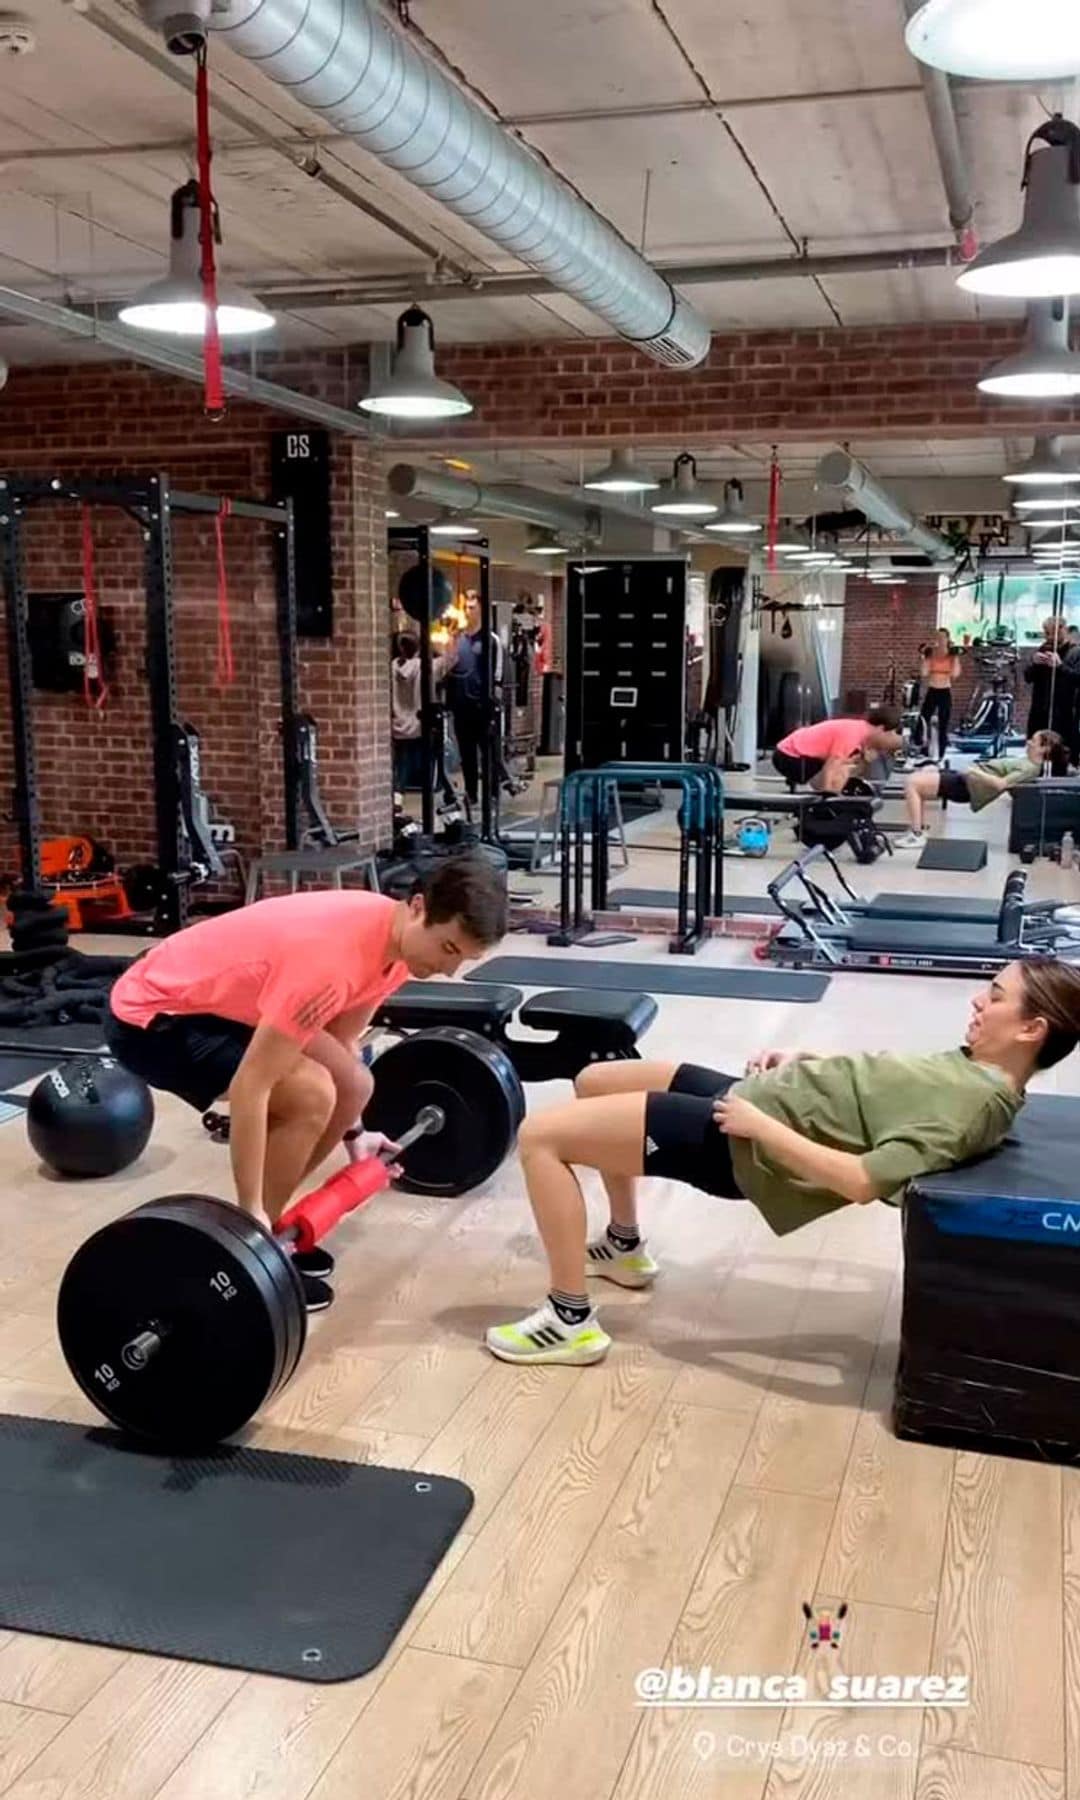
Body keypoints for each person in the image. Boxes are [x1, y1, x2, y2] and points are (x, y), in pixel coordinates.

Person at [485, 958, 1080, 1364]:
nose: (979, 999)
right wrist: (808, 1062)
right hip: (760, 1101)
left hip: (740, 1142)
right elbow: (883, 1091)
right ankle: (624, 1245)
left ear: (1031, 1028)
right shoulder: (974, 1069)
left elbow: (862, 1180)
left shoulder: (972, 1103)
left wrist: (761, 1127)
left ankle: (569, 1321)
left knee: (541, 1138)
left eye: (996, 997)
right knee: (594, 1080)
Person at [105, 857, 507, 1312]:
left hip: (230, 1005)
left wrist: (356, 1133)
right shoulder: (333, 961)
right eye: (448, 949)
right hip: (155, 1016)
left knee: (355, 1083)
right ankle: (252, 1246)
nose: (449, 970)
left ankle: (268, 1234)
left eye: (464, 959)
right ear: (417, 907)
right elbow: (250, 1087)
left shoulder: (395, 952)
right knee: (310, 1094)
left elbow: (342, 1044)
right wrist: (249, 1204)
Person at [894, 729, 1060, 851]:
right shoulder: (1027, 762)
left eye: (1033, 741)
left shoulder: (1030, 768)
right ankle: (917, 829)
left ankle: (916, 834)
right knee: (923, 772)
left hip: (969, 787)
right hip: (967, 779)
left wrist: (973, 771)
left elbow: (1001, 784)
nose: (1029, 742)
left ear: (1044, 749)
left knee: (912, 782)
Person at [443, 591, 504, 809]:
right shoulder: (457, 638)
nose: (468, 612)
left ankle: (492, 792)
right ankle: (471, 793)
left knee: (488, 752)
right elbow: (447, 666)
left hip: (483, 704)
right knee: (466, 752)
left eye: (472, 607)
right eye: (466, 607)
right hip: (461, 703)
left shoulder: (490, 639)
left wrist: (493, 698)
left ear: (481, 609)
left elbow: (497, 672)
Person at [772, 706, 903, 792]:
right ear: (881, 729)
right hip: (789, 756)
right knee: (842, 768)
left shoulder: (860, 731)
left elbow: (854, 770)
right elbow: (833, 763)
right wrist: (828, 794)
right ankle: (830, 805)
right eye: (892, 733)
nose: (892, 738)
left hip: (795, 754)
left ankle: (832, 799)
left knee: (846, 766)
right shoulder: (853, 733)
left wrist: (865, 761)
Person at [390, 631, 450, 792]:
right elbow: (450, 659)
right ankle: (431, 788)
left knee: (401, 763)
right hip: (419, 724)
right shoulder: (426, 666)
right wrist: (436, 647)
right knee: (428, 759)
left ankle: (398, 794)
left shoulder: (391, 668)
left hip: (398, 724)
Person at [1025, 616, 1076, 744]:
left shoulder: (1075, 653)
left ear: (1063, 631)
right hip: (1040, 711)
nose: (1050, 637)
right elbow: (1028, 677)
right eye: (1047, 633)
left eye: (1054, 633)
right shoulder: (1044, 649)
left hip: (1063, 713)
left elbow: (1077, 679)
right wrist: (1034, 663)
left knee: (1060, 751)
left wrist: (1060, 667)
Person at [918, 628, 962, 759]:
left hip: (945, 692)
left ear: (948, 639)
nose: (940, 640)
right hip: (932, 690)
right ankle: (923, 748)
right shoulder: (931, 654)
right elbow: (924, 673)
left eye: (943, 637)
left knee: (944, 723)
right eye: (938, 637)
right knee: (923, 720)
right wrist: (924, 657)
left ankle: (941, 752)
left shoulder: (952, 655)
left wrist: (956, 658)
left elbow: (955, 674)